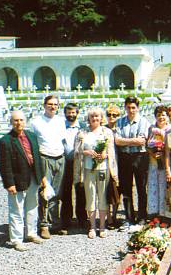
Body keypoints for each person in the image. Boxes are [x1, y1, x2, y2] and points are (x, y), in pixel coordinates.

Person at [0, 111, 46, 251]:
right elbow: (4, 165)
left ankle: (31, 233)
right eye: (16, 120)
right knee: (16, 210)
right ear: (11, 122)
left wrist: (42, 176)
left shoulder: (32, 136)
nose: (19, 123)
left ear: (25, 121)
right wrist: (9, 183)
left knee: (32, 206)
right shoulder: (5, 141)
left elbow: (37, 158)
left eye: (21, 120)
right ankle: (16, 239)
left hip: (33, 177)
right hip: (17, 180)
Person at [74, 108, 118, 239]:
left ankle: (102, 226)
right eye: (92, 116)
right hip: (88, 169)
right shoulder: (82, 133)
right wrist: (85, 152)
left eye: (97, 116)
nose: (95, 118)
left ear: (101, 118)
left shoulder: (107, 132)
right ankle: (92, 226)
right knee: (91, 196)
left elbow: (111, 151)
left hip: (103, 168)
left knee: (103, 197)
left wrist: (105, 155)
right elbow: (76, 150)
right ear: (88, 118)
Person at [30, 95, 66, 239]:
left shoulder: (60, 121)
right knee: (45, 192)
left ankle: (55, 223)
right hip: (45, 157)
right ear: (44, 105)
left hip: (60, 158)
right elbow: (33, 143)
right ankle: (44, 224)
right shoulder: (36, 122)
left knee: (57, 193)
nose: (53, 107)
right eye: (50, 104)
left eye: (55, 104)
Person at [115, 96, 150, 229]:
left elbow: (142, 141)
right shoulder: (120, 122)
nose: (131, 110)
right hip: (124, 157)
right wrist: (131, 141)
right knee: (126, 189)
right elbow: (116, 140)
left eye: (133, 107)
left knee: (141, 187)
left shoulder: (143, 122)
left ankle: (142, 216)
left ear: (138, 108)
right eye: (128, 107)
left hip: (139, 157)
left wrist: (124, 141)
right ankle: (129, 216)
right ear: (125, 108)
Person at [60, 103, 87, 234]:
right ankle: (66, 220)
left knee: (81, 190)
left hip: (79, 162)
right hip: (65, 162)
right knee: (66, 191)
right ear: (65, 113)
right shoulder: (60, 127)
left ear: (77, 113)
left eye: (73, 112)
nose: (71, 115)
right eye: (69, 113)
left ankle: (82, 219)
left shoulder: (83, 127)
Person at [146, 106, 171, 218]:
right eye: (158, 115)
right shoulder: (151, 128)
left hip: (165, 163)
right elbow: (146, 145)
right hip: (153, 163)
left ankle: (164, 214)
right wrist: (152, 153)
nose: (161, 117)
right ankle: (153, 214)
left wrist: (163, 153)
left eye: (163, 115)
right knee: (153, 188)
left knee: (163, 188)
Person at [105, 104, 122, 228]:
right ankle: (109, 217)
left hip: (121, 162)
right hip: (107, 164)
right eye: (109, 115)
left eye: (115, 115)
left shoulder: (120, 129)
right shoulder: (103, 129)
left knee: (118, 190)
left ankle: (115, 215)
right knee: (107, 191)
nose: (111, 117)